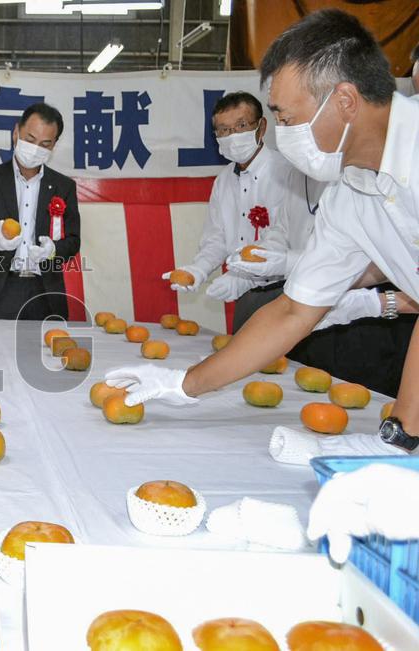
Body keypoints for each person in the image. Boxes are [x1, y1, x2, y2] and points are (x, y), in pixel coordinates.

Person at [106, 9, 419, 456]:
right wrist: (183, 384)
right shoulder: (349, 195)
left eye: (288, 119)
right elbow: (292, 312)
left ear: (346, 100)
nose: (285, 136)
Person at [225, 168, 418, 397]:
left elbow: (388, 257)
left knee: (363, 396)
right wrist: (271, 252)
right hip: (312, 304)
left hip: (368, 324)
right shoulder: (301, 174)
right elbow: (284, 227)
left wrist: (291, 264)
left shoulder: (377, 175)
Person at [163, 92, 290, 332]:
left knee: (284, 366)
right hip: (245, 296)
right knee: (242, 364)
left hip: (286, 293)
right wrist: (199, 269)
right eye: (223, 130)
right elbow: (217, 238)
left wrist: (244, 275)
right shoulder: (223, 181)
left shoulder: (286, 173)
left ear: (261, 127)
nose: (232, 137)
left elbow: (288, 236)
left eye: (241, 126)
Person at [0, 102, 81, 320]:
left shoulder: (64, 186)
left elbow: (73, 241)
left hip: (44, 293)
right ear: (16, 132)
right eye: (30, 139)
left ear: (54, 145)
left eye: (44, 144)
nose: (35, 149)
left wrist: (52, 250)